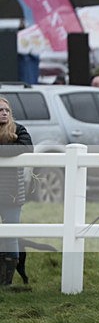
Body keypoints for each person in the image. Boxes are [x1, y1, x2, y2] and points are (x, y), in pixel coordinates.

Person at [0, 97, 33, 285]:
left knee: (11, 235)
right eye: (0, 110)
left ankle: (7, 280)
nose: (4, 113)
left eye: (6, 110)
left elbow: (27, 147)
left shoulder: (18, 129)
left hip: (11, 192)